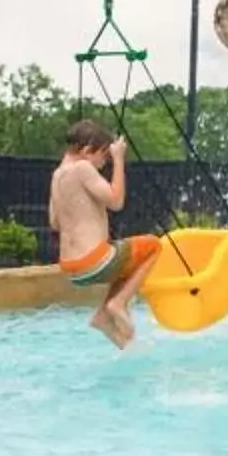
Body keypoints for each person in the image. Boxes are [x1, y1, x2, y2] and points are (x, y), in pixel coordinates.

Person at [50, 118, 159, 347]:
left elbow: (55, 223)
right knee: (153, 246)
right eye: (103, 156)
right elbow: (116, 201)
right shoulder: (82, 168)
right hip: (94, 261)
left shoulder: (58, 175)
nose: (103, 163)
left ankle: (103, 315)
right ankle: (118, 303)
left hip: (72, 268)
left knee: (126, 261)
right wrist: (119, 160)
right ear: (87, 150)